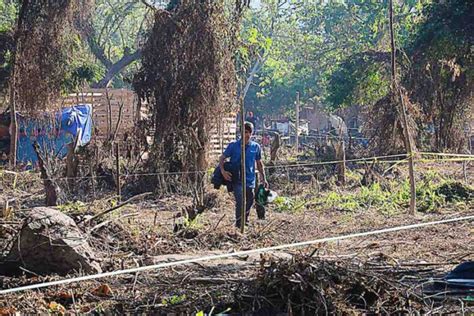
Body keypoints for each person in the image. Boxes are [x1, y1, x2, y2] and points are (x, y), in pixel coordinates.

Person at [219, 121, 268, 228]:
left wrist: (263, 178)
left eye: (248, 132)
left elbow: (259, 163)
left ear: (251, 133)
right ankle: (238, 224)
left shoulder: (256, 147)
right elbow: (222, 158)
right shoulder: (233, 146)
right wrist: (223, 171)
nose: (246, 134)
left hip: (250, 179)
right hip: (237, 179)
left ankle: (244, 219)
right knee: (240, 201)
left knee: (249, 201)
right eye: (244, 132)